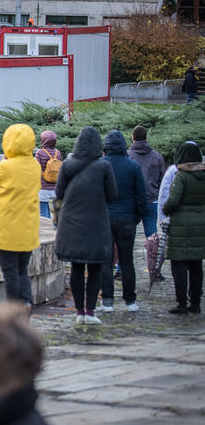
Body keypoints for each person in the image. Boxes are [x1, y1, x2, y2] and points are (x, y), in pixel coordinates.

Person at [55, 127, 118, 325]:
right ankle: (90, 312)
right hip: (96, 223)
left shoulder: (67, 165)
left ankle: (79, 312)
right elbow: (113, 195)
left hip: (71, 222)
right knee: (95, 268)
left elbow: (59, 193)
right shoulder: (104, 167)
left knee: (76, 266)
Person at [0, 124, 41, 306]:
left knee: (9, 272)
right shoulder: (35, 166)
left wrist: (6, 160)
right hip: (28, 227)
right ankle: (26, 302)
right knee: (22, 269)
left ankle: (14, 309)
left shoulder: (6, 166)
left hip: (7, 227)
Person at [99, 131, 147, 313]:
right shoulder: (133, 166)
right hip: (127, 219)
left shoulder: (101, 165)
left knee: (106, 261)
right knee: (127, 261)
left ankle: (108, 300)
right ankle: (130, 300)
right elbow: (141, 196)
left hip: (105, 219)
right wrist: (136, 217)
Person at [162, 141, 205, 314]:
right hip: (201, 226)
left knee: (179, 266)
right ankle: (195, 303)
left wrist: (165, 210)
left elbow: (173, 201)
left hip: (180, 227)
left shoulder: (181, 176)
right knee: (196, 265)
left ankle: (181, 303)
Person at [128, 125, 166, 238]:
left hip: (132, 201)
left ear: (133, 137)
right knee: (152, 236)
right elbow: (162, 181)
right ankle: (152, 255)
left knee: (128, 237)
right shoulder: (157, 157)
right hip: (152, 200)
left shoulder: (127, 156)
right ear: (146, 137)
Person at [35, 131, 63, 219]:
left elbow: (36, 169)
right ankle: (55, 232)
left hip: (43, 189)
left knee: (43, 215)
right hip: (55, 189)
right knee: (55, 216)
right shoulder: (57, 153)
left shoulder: (40, 153)